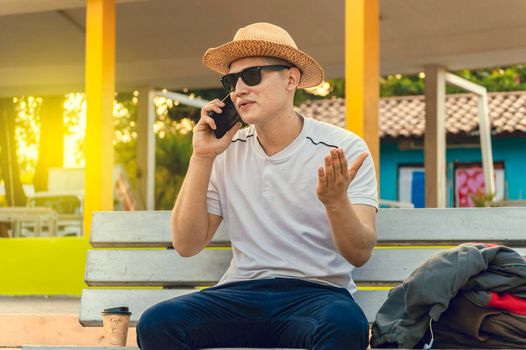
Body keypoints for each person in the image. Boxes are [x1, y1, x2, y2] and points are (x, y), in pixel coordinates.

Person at [136, 22, 378, 350]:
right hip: (240, 294)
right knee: (158, 323)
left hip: (317, 297)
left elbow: (360, 253)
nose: (238, 89)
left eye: (252, 76)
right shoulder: (224, 148)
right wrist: (202, 157)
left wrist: (336, 203)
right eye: (230, 80)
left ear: (291, 79)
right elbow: (186, 244)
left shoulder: (343, 149)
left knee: (346, 326)